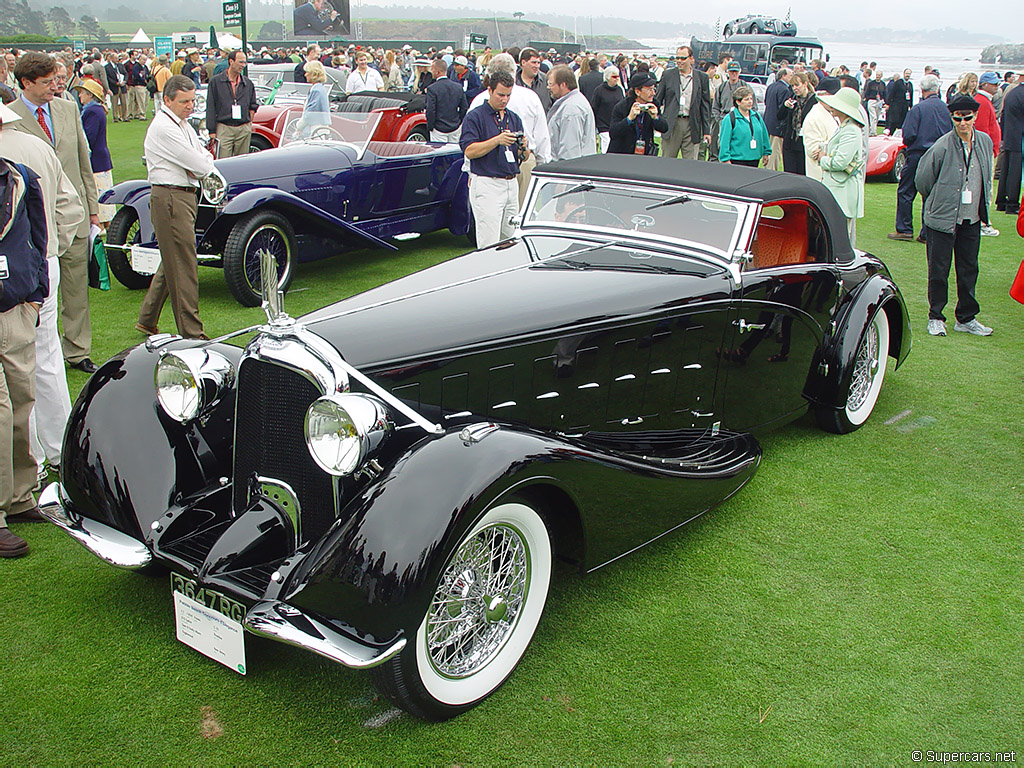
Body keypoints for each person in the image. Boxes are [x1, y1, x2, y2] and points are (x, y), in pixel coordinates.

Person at [0, 99, 84, 483]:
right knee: (45, 356)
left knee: (19, 366)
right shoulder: (37, 146)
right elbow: (70, 207)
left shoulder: (28, 149)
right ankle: (57, 447)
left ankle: (29, 455)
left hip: (28, 264)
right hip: (40, 261)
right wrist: (50, 249)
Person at [10, 52, 100, 374]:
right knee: (37, 293)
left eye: (56, 80)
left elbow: (82, 161)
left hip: (73, 217)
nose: (55, 87)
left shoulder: (67, 107)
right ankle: (35, 351)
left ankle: (78, 351)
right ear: (26, 83)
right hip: (33, 222)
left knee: (76, 289)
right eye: (47, 82)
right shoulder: (10, 117)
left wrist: (93, 210)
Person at [0, 133, 50, 558]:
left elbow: (38, 236)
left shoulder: (19, 178)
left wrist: (36, 294)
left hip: (15, 309)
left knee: (21, 403)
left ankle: (19, 497)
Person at [137, 76, 216, 340]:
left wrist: (203, 160)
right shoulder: (164, 127)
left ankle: (147, 319)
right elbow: (202, 165)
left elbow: (203, 155)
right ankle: (192, 332)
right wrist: (203, 161)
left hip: (182, 195)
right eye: (184, 101)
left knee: (172, 261)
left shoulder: (181, 125)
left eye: (193, 100)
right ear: (167, 100)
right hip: (171, 196)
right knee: (183, 265)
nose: (190, 106)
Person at [916, 94, 994, 337]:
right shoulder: (941, 145)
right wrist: (939, 203)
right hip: (942, 219)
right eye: (957, 118)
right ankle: (936, 316)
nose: (962, 123)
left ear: (975, 117)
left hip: (971, 218)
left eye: (967, 118)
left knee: (969, 267)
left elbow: (987, 175)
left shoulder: (984, 142)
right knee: (939, 269)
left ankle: (966, 317)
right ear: (952, 118)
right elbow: (923, 181)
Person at [467, 53, 551, 205]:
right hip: (496, 165)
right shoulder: (530, 97)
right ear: (514, 71)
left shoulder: (479, 99)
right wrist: (542, 164)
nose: (504, 100)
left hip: (510, 160)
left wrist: (469, 171)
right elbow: (542, 136)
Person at [460, 71, 530, 248]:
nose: (504, 100)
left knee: (513, 239)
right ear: (490, 90)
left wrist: (524, 146)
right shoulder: (475, 117)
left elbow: (524, 156)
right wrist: (496, 140)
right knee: (489, 241)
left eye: (508, 95)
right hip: (487, 183)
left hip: (511, 183)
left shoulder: (513, 118)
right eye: (500, 95)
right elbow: (469, 150)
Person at [888, 74, 951, 242]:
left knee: (906, 191)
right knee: (931, 194)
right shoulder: (945, 108)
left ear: (922, 90)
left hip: (918, 154)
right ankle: (927, 232)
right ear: (937, 89)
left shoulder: (918, 109)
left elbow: (908, 134)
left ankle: (904, 228)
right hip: (940, 155)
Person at [812, 87, 867, 245]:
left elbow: (839, 163)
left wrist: (823, 158)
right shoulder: (845, 128)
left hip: (842, 190)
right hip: (837, 189)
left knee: (840, 237)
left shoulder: (851, 130)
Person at [656, 46, 711, 161]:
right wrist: (657, 121)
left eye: (683, 58)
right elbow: (658, 99)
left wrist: (706, 131)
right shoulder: (668, 75)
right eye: (677, 58)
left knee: (690, 163)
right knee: (667, 161)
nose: (679, 61)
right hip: (672, 123)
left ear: (691, 59)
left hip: (692, 125)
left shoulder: (702, 78)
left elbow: (705, 106)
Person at [73, 79, 114, 225]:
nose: (79, 96)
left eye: (82, 93)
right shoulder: (96, 110)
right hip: (101, 159)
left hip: (96, 161)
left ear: (90, 95)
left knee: (99, 197)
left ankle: (101, 227)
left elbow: (88, 137)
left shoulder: (92, 111)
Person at [206, 50, 258, 158]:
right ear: (231, 61)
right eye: (240, 62)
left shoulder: (247, 83)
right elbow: (211, 106)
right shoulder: (215, 82)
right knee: (223, 161)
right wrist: (212, 130)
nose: (243, 65)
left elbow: (253, 105)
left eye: (244, 62)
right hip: (224, 127)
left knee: (242, 162)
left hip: (243, 127)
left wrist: (248, 123)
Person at [607, 72, 667, 155]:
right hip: (622, 153)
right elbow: (613, 133)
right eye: (649, 90)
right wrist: (629, 119)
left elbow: (664, 128)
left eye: (654, 89)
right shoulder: (622, 106)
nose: (653, 93)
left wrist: (655, 117)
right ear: (638, 92)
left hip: (644, 154)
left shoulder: (654, 104)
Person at [546, 65, 596, 161]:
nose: (548, 87)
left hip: (568, 169)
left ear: (563, 85)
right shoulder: (574, 102)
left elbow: (570, 151)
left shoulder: (571, 110)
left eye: (551, 84)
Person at [718, 85, 771, 167]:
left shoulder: (756, 116)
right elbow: (724, 141)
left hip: (754, 159)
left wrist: (766, 152)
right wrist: (725, 159)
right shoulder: (730, 119)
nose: (750, 102)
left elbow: (764, 134)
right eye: (746, 99)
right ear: (738, 102)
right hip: (737, 160)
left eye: (751, 99)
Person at [994, 75, 1024, 216]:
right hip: (1019, 137)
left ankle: (1002, 201)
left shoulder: (1012, 93)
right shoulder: (1020, 93)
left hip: (1010, 135)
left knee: (1007, 170)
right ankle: (1012, 204)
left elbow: (1004, 116)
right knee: (1015, 172)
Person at [711, 61, 752, 162]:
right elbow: (715, 107)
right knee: (721, 144)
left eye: (736, 72)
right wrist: (719, 119)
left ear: (739, 72)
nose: (734, 74)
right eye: (731, 71)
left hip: (740, 121)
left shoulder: (745, 86)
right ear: (727, 72)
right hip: (724, 119)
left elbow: (752, 107)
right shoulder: (722, 87)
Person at [802, 77, 841, 181]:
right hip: (820, 176)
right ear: (821, 95)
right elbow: (813, 150)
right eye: (833, 95)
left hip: (832, 174)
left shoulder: (833, 114)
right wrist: (839, 144)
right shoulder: (814, 117)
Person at [777, 71, 815, 175]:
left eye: (797, 85)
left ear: (805, 84)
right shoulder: (792, 99)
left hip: (804, 143)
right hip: (790, 143)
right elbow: (779, 116)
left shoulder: (814, 101)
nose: (795, 88)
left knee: (803, 174)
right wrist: (785, 106)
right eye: (792, 86)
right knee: (789, 175)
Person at [425, 58, 467, 143]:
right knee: (453, 153)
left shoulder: (432, 89)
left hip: (438, 128)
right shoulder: (458, 87)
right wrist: (459, 121)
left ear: (437, 72)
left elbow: (430, 110)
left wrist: (430, 126)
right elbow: (464, 107)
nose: (431, 72)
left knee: (439, 153)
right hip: (454, 125)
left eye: (432, 69)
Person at [763, 66, 791, 170]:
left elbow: (766, 102)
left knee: (767, 151)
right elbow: (782, 110)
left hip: (768, 124)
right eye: (790, 75)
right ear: (784, 76)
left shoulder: (771, 86)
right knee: (774, 154)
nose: (791, 78)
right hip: (778, 127)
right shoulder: (785, 90)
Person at [591, 67, 624, 153]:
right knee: (606, 148)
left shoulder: (620, 90)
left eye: (618, 76)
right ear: (608, 77)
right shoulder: (599, 90)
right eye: (614, 77)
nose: (617, 79)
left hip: (616, 124)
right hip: (603, 125)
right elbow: (594, 107)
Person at [297, 60, 331, 138]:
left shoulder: (317, 90)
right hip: (316, 129)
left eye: (307, 72)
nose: (305, 75)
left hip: (316, 131)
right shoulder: (318, 88)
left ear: (314, 73)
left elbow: (310, 113)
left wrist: (299, 125)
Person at [516, 48, 551, 113]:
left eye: (538, 63)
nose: (537, 66)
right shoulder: (513, 82)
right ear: (523, 62)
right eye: (534, 62)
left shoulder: (546, 81)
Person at [104, 51, 128, 123]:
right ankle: (115, 117)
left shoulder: (120, 65)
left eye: (117, 58)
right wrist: (115, 83)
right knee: (114, 103)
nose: (117, 59)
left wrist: (124, 81)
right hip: (114, 87)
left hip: (122, 87)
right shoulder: (107, 67)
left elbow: (125, 73)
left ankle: (124, 116)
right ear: (111, 59)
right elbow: (108, 78)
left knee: (124, 102)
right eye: (115, 58)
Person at [863, 69, 886, 136]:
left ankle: (872, 129)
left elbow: (885, 93)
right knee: (873, 117)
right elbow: (867, 92)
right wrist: (867, 98)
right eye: (877, 75)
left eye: (879, 75)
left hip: (879, 102)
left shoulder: (883, 84)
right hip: (872, 100)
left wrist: (885, 102)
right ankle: (873, 132)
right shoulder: (871, 83)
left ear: (881, 76)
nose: (878, 76)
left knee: (877, 117)